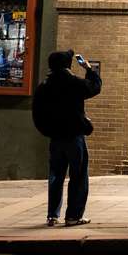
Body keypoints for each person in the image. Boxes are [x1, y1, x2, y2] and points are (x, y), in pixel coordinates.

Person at [32, 50, 102, 227]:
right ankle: (73, 216)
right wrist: (89, 69)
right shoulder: (73, 83)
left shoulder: (44, 86)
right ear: (67, 65)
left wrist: (47, 131)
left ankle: (52, 216)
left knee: (56, 175)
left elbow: (37, 114)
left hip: (55, 138)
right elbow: (94, 87)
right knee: (78, 175)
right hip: (74, 136)